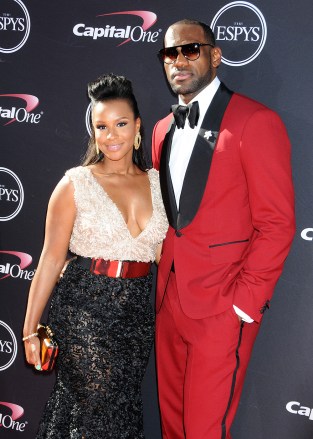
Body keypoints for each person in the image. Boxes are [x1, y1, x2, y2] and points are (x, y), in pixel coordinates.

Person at [152, 19, 295, 439]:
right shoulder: (162, 129)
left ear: (215, 56)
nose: (178, 60)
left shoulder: (256, 121)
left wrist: (242, 304)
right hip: (169, 303)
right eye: (169, 53)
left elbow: (278, 224)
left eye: (190, 50)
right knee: (173, 427)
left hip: (222, 306)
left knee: (203, 431)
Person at [23, 73, 168, 438]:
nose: (111, 135)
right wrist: (29, 332)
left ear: (137, 126)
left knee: (119, 413)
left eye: (120, 124)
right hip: (84, 311)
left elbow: (167, 255)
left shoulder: (157, 183)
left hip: (135, 317)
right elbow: (50, 261)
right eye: (101, 126)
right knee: (95, 411)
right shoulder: (76, 183)